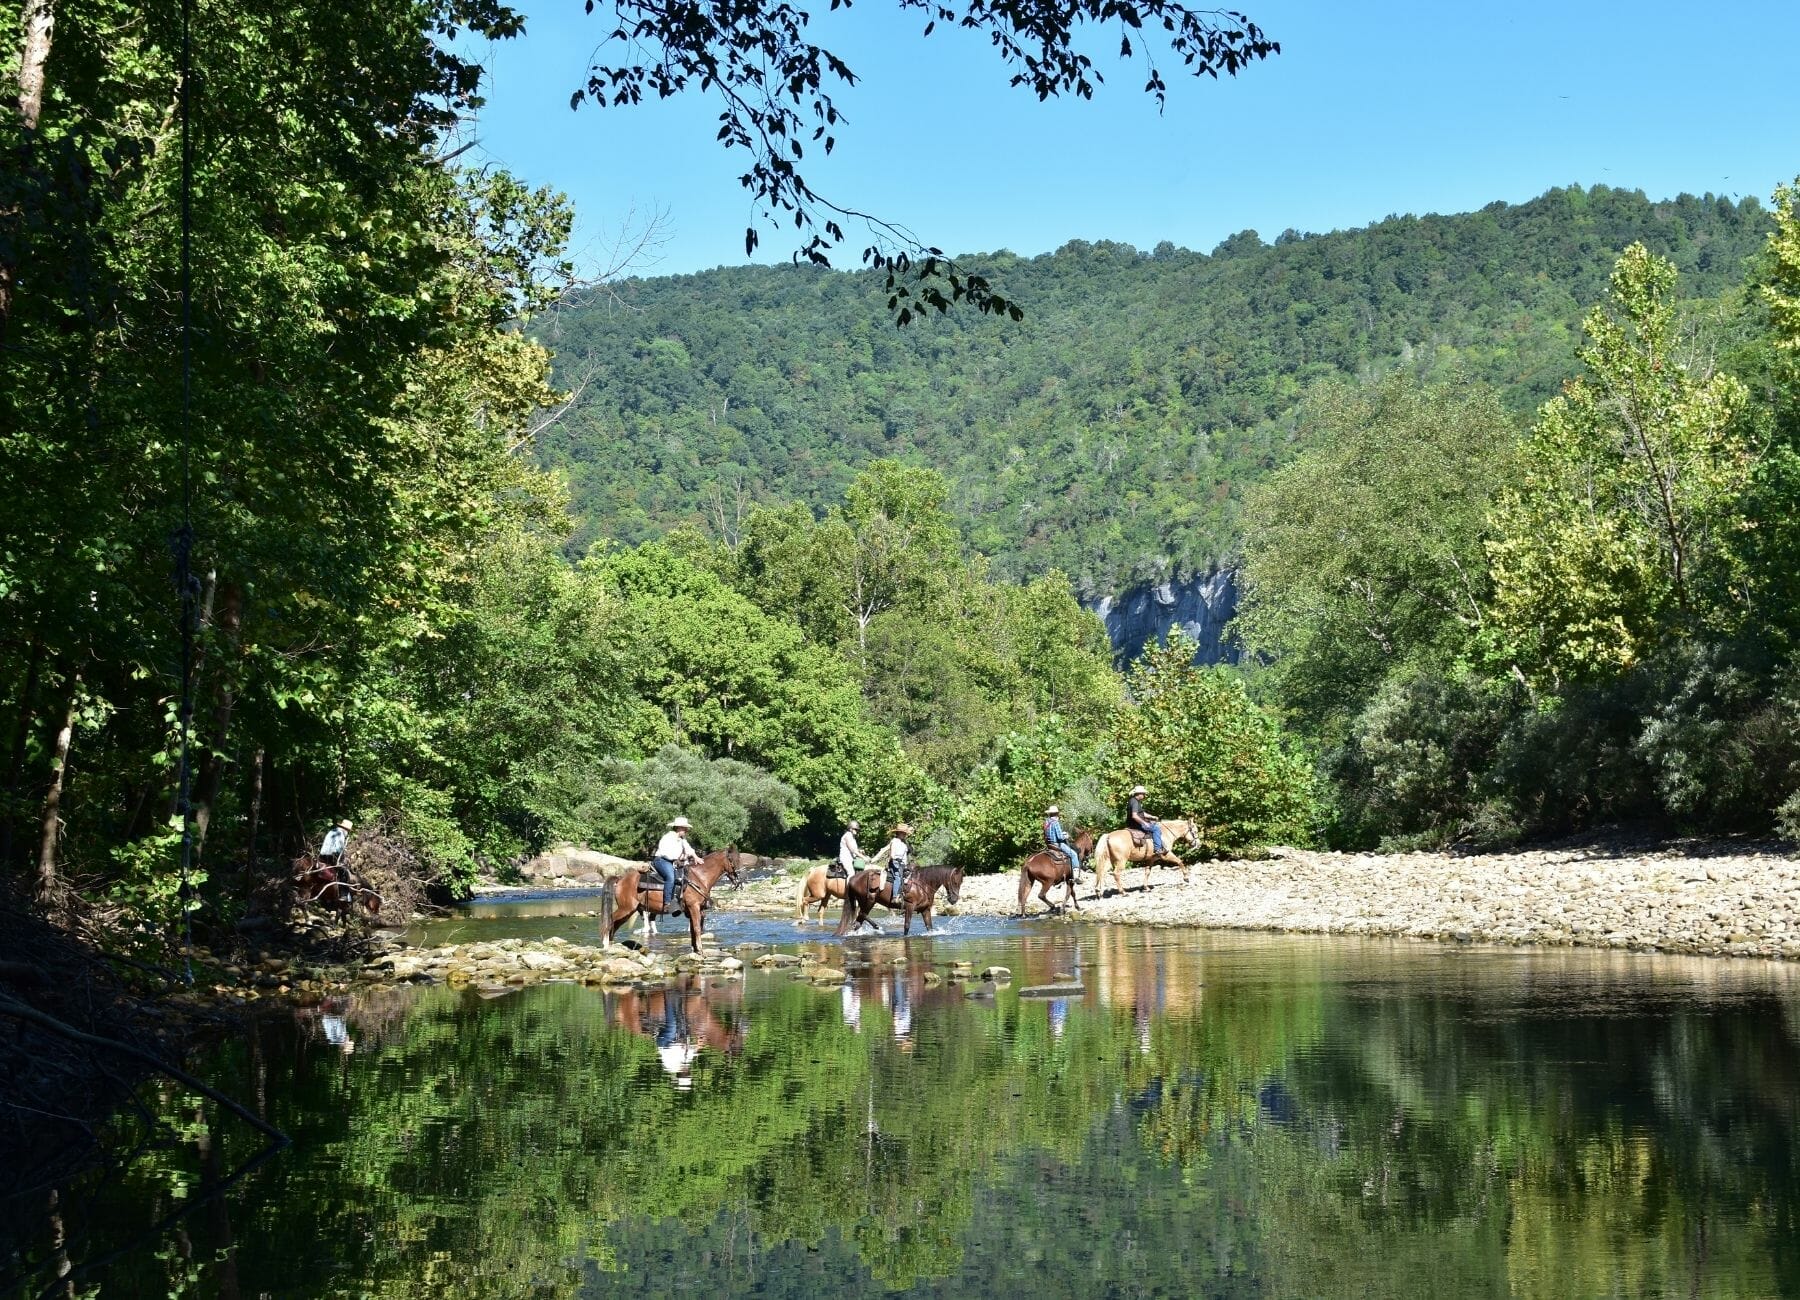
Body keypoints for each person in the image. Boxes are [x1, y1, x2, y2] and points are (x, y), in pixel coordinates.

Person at [651, 816, 699, 916]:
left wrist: (696, 857)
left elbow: (689, 849)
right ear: (679, 828)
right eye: (685, 829)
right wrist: (679, 858)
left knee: (684, 877)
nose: (687, 830)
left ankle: (679, 902)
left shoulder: (682, 839)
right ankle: (667, 903)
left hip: (672, 862)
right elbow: (665, 853)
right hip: (662, 860)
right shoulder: (667, 837)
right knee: (671, 877)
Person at [319, 818, 352, 904]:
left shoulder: (332, 831)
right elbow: (338, 849)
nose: (348, 833)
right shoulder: (340, 834)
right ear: (346, 829)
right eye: (348, 831)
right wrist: (343, 859)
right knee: (344, 872)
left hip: (322, 855)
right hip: (331, 856)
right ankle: (344, 895)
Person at [1042, 804, 1081, 880]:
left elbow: (1051, 833)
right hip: (1057, 844)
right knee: (1074, 855)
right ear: (1056, 814)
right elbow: (1060, 837)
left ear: (1049, 814)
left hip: (1049, 844)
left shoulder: (1047, 822)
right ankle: (1076, 877)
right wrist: (1066, 836)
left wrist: (1061, 833)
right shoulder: (1055, 823)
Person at [1125, 785, 1165, 858]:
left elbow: (1141, 813)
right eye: (1143, 794)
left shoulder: (1133, 801)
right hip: (1136, 824)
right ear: (1139, 794)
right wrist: (1144, 823)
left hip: (1134, 823)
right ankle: (1157, 849)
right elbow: (1134, 815)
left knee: (1153, 824)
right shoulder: (1135, 802)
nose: (1144, 795)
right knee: (1156, 828)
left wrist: (1152, 817)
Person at [885, 823, 912, 902]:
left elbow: (905, 857)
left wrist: (906, 865)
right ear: (898, 833)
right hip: (894, 863)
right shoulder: (894, 841)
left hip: (902, 864)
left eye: (905, 833)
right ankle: (895, 896)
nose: (904, 835)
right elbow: (892, 855)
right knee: (898, 876)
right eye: (903, 833)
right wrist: (897, 860)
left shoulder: (904, 843)